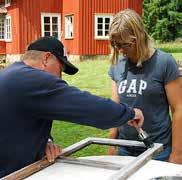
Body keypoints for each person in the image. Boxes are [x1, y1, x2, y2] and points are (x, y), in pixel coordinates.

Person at [0, 36, 144, 178]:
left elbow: (23, 119)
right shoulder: (33, 80)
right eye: (60, 69)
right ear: (46, 59)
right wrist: (130, 113)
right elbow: (89, 108)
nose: (60, 78)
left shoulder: (11, 74)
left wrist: (45, 141)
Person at [108, 8, 182, 164]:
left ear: (139, 37)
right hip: (125, 148)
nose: (120, 50)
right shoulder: (118, 64)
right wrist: (112, 144)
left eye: (125, 44)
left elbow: (178, 110)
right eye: (115, 44)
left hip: (158, 150)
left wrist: (177, 154)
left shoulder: (164, 62)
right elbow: (115, 106)